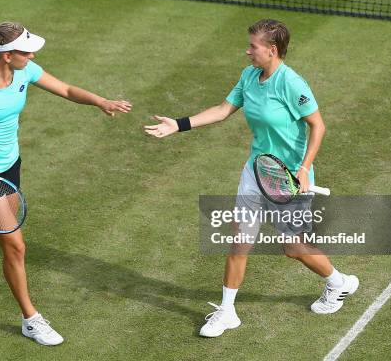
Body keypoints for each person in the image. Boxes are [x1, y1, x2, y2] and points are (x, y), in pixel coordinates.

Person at [144, 19, 358, 338]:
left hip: (289, 178)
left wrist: (303, 168)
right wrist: (179, 124)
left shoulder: (292, 83)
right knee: (240, 240)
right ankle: (227, 311)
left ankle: (338, 283)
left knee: (292, 247)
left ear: (272, 51)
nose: (248, 51)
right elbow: (221, 110)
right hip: (257, 171)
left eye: (253, 47)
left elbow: (318, 125)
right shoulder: (248, 76)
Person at [0, 19, 132, 346]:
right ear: (7, 55)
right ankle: (30, 319)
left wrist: (100, 101)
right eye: (26, 51)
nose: (33, 56)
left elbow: (65, 89)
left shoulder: (25, 72)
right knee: (15, 244)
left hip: (9, 167)